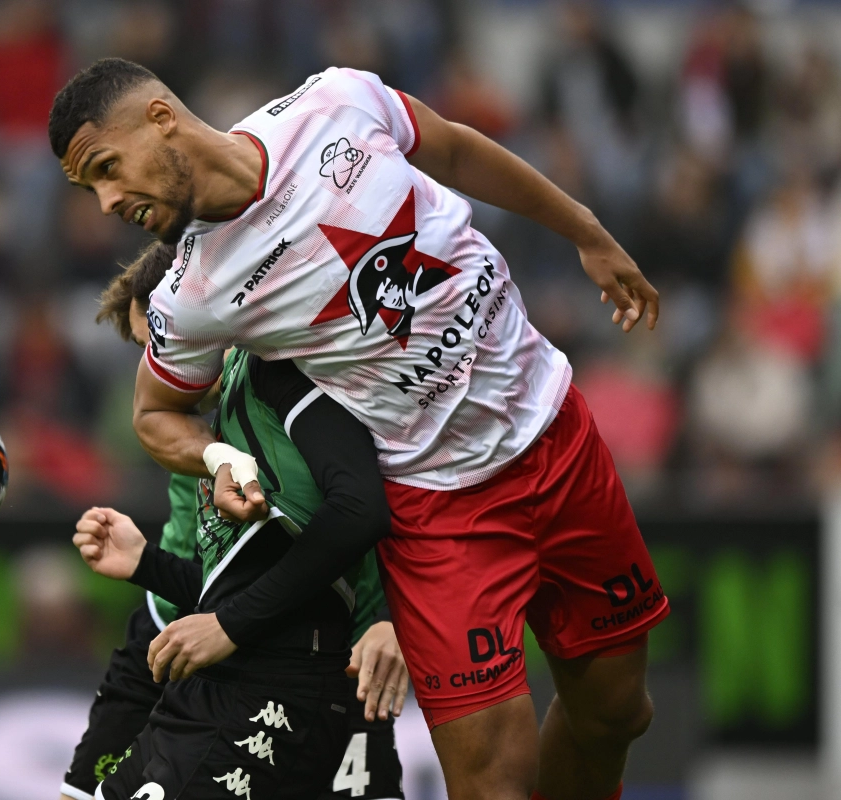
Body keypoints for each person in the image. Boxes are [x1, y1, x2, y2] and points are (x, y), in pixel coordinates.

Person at [49, 58, 668, 800]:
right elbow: (152, 414)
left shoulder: (334, 103)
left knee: (615, 713)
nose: (110, 200)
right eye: (93, 189)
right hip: (442, 512)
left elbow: (456, 149)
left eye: (108, 169)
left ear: (160, 119)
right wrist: (217, 454)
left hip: (558, 434)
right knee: (494, 785)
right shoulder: (191, 295)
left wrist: (585, 230)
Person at [63, 242, 408, 800]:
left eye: (158, 343)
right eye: (142, 349)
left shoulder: (296, 377)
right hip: (218, 660)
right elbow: (232, 584)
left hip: (329, 666)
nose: (153, 366)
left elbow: (375, 507)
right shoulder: (197, 443)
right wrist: (144, 563)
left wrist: (395, 619)